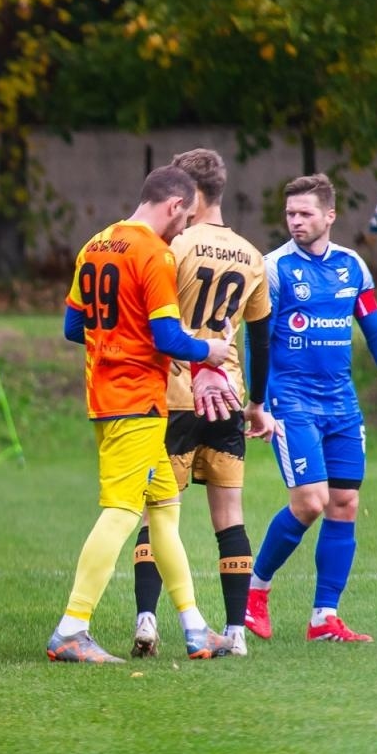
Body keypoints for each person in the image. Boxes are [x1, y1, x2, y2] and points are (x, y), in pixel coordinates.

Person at [49, 165, 236, 663]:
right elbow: (168, 337)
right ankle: (71, 629)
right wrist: (210, 351)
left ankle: (195, 629)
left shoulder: (96, 243)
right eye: (186, 218)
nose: (184, 229)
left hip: (107, 397)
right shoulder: (155, 253)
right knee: (121, 513)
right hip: (136, 402)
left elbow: (73, 327)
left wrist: (128, 340)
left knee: (165, 511)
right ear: (174, 206)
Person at [244, 173, 377, 644]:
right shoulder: (275, 269)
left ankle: (324, 617)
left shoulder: (352, 267)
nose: (295, 221)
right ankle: (254, 592)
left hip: (341, 403)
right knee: (311, 501)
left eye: (305, 213)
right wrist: (257, 403)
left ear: (330, 215)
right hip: (291, 401)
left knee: (344, 503)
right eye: (290, 213)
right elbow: (256, 339)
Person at [129, 149, 272, 659]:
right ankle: (236, 632)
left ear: (185, 193)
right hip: (227, 397)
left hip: (174, 395)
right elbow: (260, 338)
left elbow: (156, 320)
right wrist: (258, 403)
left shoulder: (175, 246)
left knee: (157, 513)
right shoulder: (252, 256)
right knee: (229, 516)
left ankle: (147, 620)